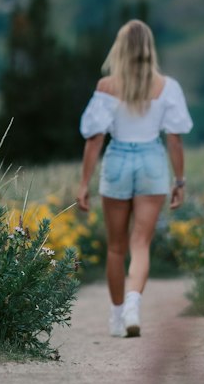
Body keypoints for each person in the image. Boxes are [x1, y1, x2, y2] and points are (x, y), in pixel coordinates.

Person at [77, 19, 193, 338]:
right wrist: (179, 181)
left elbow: (94, 139)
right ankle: (132, 304)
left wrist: (84, 183)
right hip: (152, 163)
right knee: (140, 243)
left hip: (117, 162)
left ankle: (116, 319)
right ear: (149, 49)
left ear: (120, 49)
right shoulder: (167, 87)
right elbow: (175, 139)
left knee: (115, 248)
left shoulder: (106, 87)